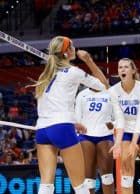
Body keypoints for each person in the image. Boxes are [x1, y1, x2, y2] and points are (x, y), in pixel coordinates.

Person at [33, 36, 108, 194]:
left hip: (42, 130)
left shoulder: (44, 76)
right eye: (72, 46)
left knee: (46, 185)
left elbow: (50, 107)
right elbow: (104, 86)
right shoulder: (74, 72)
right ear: (66, 52)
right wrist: (88, 60)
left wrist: (73, 122)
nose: (75, 48)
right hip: (62, 128)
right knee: (80, 186)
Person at [109, 58, 140, 194]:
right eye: (120, 67)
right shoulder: (113, 91)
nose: (122, 69)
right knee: (126, 171)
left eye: (126, 67)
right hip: (126, 131)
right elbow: (119, 119)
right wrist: (118, 143)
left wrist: (134, 143)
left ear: (133, 70)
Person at [75, 85, 124, 194]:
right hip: (86, 136)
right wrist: (77, 128)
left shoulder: (112, 94)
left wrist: (113, 124)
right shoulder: (82, 95)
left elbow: (119, 116)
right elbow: (77, 118)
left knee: (107, 175)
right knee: (88, 178)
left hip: (105, 136)